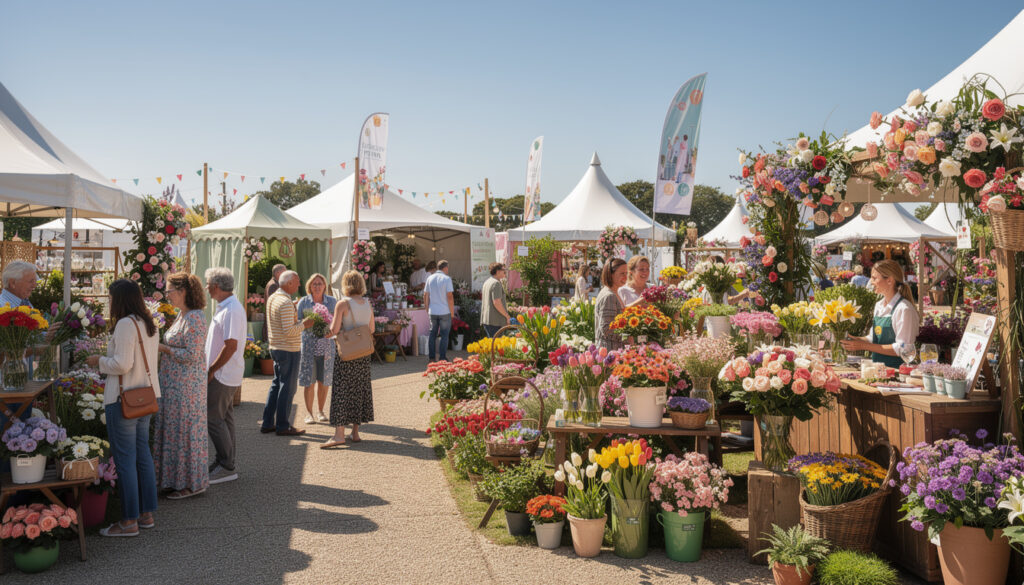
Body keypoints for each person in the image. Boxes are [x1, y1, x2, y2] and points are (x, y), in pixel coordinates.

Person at [87, 279, 160, 537]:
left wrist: (99, 361)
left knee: (126, 460)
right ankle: (146, 514)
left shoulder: (125, 324)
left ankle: (129, 521)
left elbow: (122, 364)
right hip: (146, 397)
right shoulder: (148, 322)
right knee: (142, 457)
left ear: (118, 299)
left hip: (123, 399)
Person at [153, 273, 209, 500]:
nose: (167, 295)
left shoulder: (194, 317)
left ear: (183, 291)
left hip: (187, 388)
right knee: (175, 432)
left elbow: (193, 355)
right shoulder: (182, 314)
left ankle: (191, 484)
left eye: (170, 291)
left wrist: (163, 349)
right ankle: (174, 480)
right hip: (175, 385)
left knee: (185, 434)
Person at [322, 270, 375, 448]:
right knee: (359, 390)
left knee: (342, 391)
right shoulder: (368, 303)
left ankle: (339, 435)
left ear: (345, 285)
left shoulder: (342, 304)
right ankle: (355, 432)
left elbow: (335, 330)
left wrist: (326, 328)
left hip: (346, 354)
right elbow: (372, 329)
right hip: (363, 354)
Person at [204, 267, 245, 485]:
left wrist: (212, 369)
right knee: (224, 418)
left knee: (214, 418)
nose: (206, 288)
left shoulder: (231, 309)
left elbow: (230, 346)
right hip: (225, 372)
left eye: (208, 284)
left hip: (222, 373)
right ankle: (226, 462)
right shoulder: (228, 307)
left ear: (216, 286)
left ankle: (226, 464)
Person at [840, 259, 920, 368]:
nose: (871, 282)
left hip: (897, 373)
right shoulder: (879, 305)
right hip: (878, 370)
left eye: (874, 278)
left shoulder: (904, 309)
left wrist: (864, 346)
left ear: (889, 281)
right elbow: (873, 338)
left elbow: (903, 348)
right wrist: (852, 339)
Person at [263, 270, 314, 436]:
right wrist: (305, 324)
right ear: (289, 283)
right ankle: (283, 425)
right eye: (297, 281)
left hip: (276, 347)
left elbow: (282, 325)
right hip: (287, 349)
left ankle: (268, 422)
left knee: (277, 385)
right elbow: (289, 331)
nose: (299, 284)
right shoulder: (284, 302)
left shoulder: (275, 298)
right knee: (288, 388)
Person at [297, 273, 337, 424]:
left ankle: (320, 411)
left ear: (325, 286)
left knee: (324, 379)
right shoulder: (303, 302)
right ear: (309, 286)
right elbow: (298, 323)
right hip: (308, 345)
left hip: (327, 345)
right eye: (314, 284)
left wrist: (332, 331)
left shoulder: (332, 302)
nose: (317, 286)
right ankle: (309, 413)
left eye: (320, 283)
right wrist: (307, 323)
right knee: (309, 380)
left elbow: (338, 322)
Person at [423, 259, 454, 362]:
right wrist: (452, 312)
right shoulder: (447, 279)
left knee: (432, 334)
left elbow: (425, 295)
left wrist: (427, 308)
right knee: (444, 335)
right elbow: (450, 296)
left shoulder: (430, 278)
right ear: (445, 268)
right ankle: (442, 357)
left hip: (433, 310)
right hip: (444, 311)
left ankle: (432, 358)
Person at [594, 258, 627, 351]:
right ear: (611, 274)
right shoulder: (609, 296)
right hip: (610, 351)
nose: (626, 277)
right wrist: (628, 336)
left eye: (626, 273)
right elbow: (606, 330)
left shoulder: (613, 292)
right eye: (622, 273)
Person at [480, 263, 511, 338]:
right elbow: (497, 302)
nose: (505, 272)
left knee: (492, 346)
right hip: (495, 322)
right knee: (496, 347)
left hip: (488, 320)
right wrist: (507, 316)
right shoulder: (496, 283)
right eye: (503, 270)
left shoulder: (487, 282)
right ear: (497, 271)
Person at [261, 263, 287, 342]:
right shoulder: (273, 285)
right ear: (278, 273)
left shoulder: (275, 283)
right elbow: (274, 304)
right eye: (284, 272)